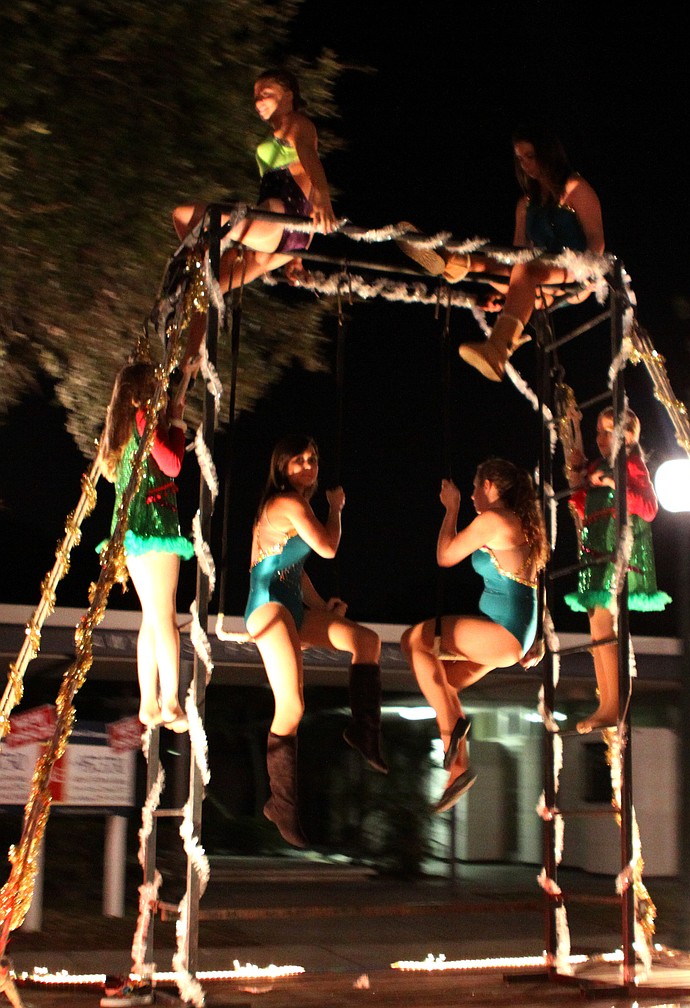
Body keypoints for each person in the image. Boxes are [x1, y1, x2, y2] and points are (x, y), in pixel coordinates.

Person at [245, 435, 387, 849]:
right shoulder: (287, 503)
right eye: (300, 460)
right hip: (268, 607)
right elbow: (327, 547)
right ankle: (281, 804)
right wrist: (336, 509)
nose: (309, 466)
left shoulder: (296, 507)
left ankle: (364, 731)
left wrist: (323, 607)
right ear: (282, 466)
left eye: (313, 459)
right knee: (292, 705)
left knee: (367, 641)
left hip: (294, 607)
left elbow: (299, 570)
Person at [397, 123, 604, 382]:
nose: (525, 164)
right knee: (493, 265)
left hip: (573, 273)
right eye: (520, 158)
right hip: (538, 280)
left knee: (525, 270)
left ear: (547, 153)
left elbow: (596, 240)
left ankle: (498, 347)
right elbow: (516, 254)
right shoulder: (525, 204)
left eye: (530, 156)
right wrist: (503, 291)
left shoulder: (574, 187)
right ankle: (450, 260)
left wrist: (589, 275)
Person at [401, 459, 549, 813]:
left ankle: (451, 735)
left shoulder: (494, 520)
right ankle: (458, 768)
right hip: (514, 634)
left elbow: (445, 555)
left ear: (490, 487)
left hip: (505, 633)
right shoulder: (518, 522)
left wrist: (451, 509)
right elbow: (532, 584)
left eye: (474, 487)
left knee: (415, 640)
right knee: (444, 682)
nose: (470, 495)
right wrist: (537, 635)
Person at [172, 68, 337, 371]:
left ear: (288, 95)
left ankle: (202, 259)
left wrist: (323, 199)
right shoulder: (277, 134)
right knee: (209, 287)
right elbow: (301, 176)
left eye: (266, 93)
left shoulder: (295, 123)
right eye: (255, 96)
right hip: (285, 238)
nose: (258, 100)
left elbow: (311, 161)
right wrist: (296, 259)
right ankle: (189, 367)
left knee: (184, 216)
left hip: (283, 220)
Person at [100, 362, 195, 732]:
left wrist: (172, 416)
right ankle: (169, 701)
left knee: (152, 617)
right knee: (164, 615)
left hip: (130, 530)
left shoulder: (120, 427)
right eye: (157, 386)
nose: (163, 392)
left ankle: (149, 704)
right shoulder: (143, 418)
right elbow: (172, 465)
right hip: (154, 524)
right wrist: (178, 425)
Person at [563, 406, 670, 733]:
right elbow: (583, 504)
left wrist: (611, 481)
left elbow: (648, 508)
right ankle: (607, 701)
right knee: (596, 629)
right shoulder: (598, 466)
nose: (601, 438)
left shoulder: (631, 465)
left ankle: (613, 704)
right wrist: (578, 476)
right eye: (599, 431)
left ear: (627, 435)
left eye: (608, 432)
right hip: (597, 552)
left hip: (618, 553)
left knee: (604, 625)